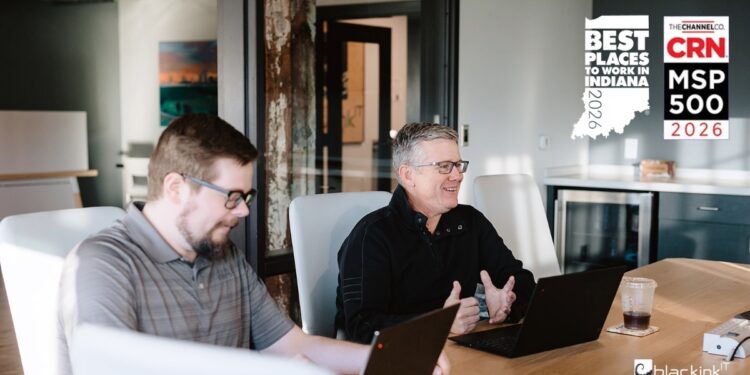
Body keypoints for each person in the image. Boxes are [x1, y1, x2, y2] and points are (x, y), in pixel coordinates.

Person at [57, 114, 448, 374]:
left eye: (247, 196)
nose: (243, 213)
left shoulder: (223, 255)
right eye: (231, 197)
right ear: (176, 188)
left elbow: (291, 345)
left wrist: (393, 363)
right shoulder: (102, 264)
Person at [336, 122, 537, 343]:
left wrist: (509, 301)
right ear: (408, 175)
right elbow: (362, 325)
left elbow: (521, 279)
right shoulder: (371, 236)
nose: (457, 176)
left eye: (458, 165)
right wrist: (440, 322)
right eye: (444, 166)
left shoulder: (470, 221)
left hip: (460, 352)